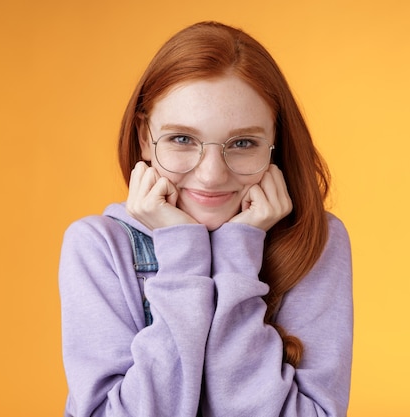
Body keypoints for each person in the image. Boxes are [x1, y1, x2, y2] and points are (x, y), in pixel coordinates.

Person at [59, 21, 353, 417]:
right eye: (182, 139)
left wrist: (238, 255)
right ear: (146, 137)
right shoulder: (98, 247)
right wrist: (183, 256)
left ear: (274, 144)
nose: (212, 174)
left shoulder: (317, 241)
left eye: (243, 143)